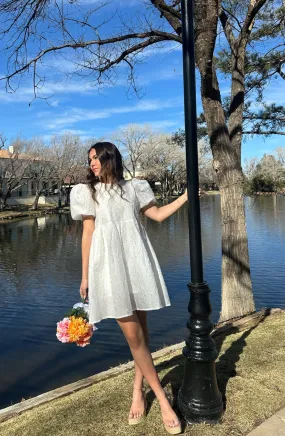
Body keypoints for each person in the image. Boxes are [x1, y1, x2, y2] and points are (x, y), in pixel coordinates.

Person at [70, 142, 191, 435]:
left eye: (96, 158)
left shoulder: (135, 187)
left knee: (143, 334)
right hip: (108, 268)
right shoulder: (87, 192)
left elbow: (158, 215)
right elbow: (88, 234)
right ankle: (162, 399)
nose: (92, 164)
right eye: (90, 160)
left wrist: (187, 196)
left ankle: (138, 389)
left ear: (109, 158)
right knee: (134, 336)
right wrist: (85, 277)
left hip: (137, 263)